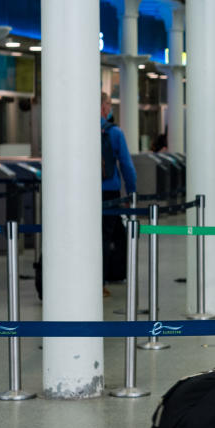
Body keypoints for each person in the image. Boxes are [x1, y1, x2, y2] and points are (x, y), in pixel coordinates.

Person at [100, 92, 137, 286]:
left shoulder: (78, 129)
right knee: (105, 236)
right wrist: (132, 191)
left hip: (81, 195)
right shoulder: (113, 132)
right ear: (103, 106)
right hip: (109, 193)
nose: (110, 108)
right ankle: (103, 278)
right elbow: (126, 165)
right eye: (109, 104)